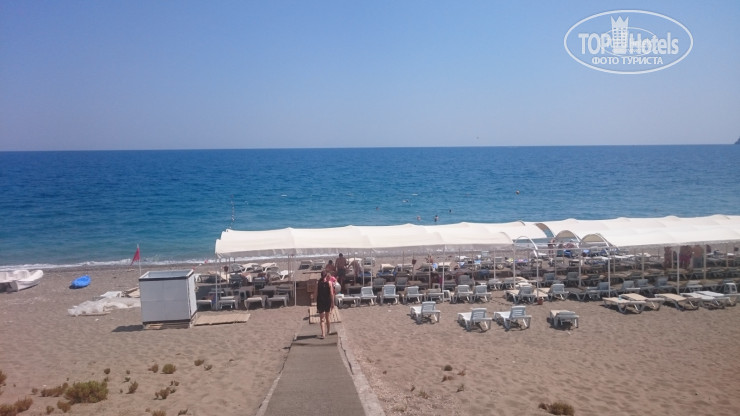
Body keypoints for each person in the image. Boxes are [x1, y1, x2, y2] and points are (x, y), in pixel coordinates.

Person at [316, 271, 335, 339]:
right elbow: (331, 294)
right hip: (327, 301)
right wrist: (333, 303)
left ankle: (323, 334)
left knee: (322, 319)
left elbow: (316, 293)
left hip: (320, 301)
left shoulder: (318, 283)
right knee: (327, 317)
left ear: (321, 276)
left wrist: (315, 301)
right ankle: (328, 331)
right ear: (326, 276)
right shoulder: (329, 283)